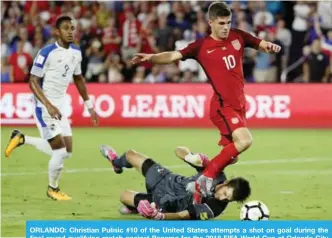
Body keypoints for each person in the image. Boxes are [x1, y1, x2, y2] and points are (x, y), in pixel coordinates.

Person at [131, 1, 281, 198]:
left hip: (239, 106)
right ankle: (205, 178)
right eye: (221, 23)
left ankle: (198, 163)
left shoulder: (238, 36)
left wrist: (269, 47)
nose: (226, 27)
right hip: (222, 106)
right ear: (210, 22)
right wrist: (151, 58)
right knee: (245, 140)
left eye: (228, 22)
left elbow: (260, 44)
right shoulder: (201, 46)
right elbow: (172, 56)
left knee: (231, 156)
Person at [4, 16, 98, 201]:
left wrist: (89, 106)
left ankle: (22, 138)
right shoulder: (46, 52)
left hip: (60, 106)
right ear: (57, 32)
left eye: (72, 28)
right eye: (66, 28)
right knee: (60, 152)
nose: (70, 31)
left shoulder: (76, 52)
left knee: (67, 152)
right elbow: (32, 81)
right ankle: (52, 189)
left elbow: (78, 78)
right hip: (44, 105)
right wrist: (48, 105)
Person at [100, 145, 251, 220]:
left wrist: (160, 216)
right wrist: (190, 157)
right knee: (130, 155)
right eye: (225, 193)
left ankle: (135, 206)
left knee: (123, 195)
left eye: (228, 199)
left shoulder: (215, 208)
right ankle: (116, 163)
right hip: (166, 179)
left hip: (164, 202)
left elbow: (184, 215)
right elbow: (179, 150)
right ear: (226, 182)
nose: (222, 198)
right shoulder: (214, 173)